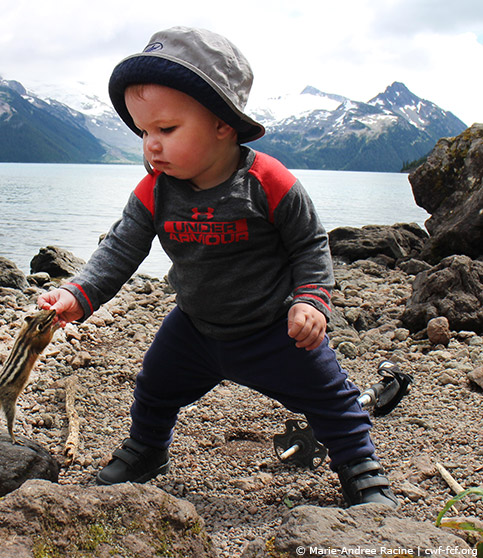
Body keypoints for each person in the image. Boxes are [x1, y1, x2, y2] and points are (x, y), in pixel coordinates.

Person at [38, 26, 397, 507]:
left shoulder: (267, 181)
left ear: (223, 124)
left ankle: (361, 468)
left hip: (273, 328)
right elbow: (120, 248)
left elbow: (309, 244)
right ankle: (147, 450)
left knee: (332, 400)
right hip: (195, 326)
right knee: (154, 388)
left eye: (166, 129)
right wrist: (77, 294)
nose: (151, 146)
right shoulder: (155, 191)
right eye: (144, 132)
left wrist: (311, 301)